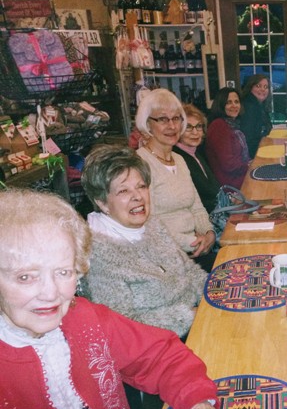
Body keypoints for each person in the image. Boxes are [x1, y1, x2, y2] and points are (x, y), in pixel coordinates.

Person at [0, 189, 237, 409]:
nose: (51, 293)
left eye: (64, 272)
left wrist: (198, 403)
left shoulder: (84, 317)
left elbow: (159, 355)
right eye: (26, 277)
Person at [81, 145, 207, 339]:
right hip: (161, 349)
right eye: (123, 191)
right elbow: (124, 325)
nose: (138, 197)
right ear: (102, 202)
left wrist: (216, 295)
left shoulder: (152, 224)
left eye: (141, 186)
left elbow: (188, 271)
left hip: (198, 322)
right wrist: (190, 316)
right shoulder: (98, 255)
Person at [134, 88, 216, 271]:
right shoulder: (139, 164)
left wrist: (209, 233)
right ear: (147, 124)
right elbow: (149, 224)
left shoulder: (179, 159)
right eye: (162, 119)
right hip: (167, 260)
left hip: (195, 250)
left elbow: (196, 207)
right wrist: (194, 242)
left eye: (176, 118)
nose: (172, 126)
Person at [173, 104, 220, 214]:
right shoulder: (178, 158)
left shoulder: (196, 153)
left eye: (199, 126)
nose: (195, 132)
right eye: (188, 127)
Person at [205, 87, 250, 188]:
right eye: (228, 102)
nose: (234, 105)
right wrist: (249, 165)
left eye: (236, 101)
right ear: (221, 105)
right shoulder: (219, 126)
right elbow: (229, 165)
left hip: (238, 178)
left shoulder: (231, 124)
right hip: (231, 186)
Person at [239, 74, 273, 159]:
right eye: (258, 86)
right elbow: (249, 139)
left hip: (259, 150)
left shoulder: (259, 106)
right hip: (252, 156)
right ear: (250, 88)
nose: (262, 89)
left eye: (266, 87)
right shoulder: (250, 107)